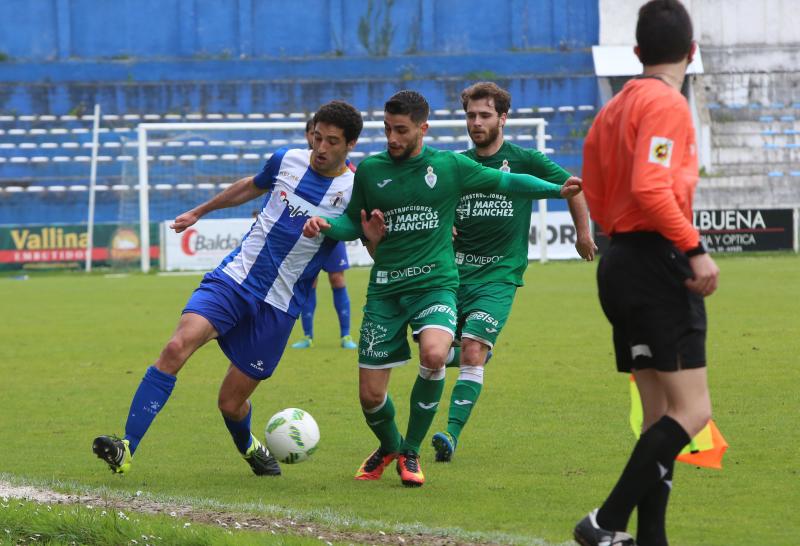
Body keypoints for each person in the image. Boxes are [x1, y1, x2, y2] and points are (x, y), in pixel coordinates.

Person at [303, 90, 582, 487]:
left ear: (422, 128)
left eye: (401, 130)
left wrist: (556, 190)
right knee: (370, 397)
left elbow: (506, 181)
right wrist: (328, 226)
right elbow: (353, 222)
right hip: (385, 290)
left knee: (435, 354)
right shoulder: (370, 171)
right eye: (387, 129)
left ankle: (412, 451)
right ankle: (391, 445)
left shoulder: (449, 167)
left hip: (435, 285)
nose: (392, 138)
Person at [92, 101, 372, 476]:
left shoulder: (354, 189)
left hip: (279, 305)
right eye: (317, 137)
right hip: (235, 279)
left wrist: (329, 228)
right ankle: (127, 446)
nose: (320, 148)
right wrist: (200, 211)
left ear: (350, 144)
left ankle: (249, 446)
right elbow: (251, 186)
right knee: (176, 347)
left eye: (332, 142)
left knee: (230, 403)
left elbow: (358, 231)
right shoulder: (286, 160)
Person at [573, 2, 719, 545]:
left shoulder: (612, 110)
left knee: (661, 413)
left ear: (636, 53)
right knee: (693, 411)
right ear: (692, 51)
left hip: (620, 262)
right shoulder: (666, 104)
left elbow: (600, 190)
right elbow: (651, 187)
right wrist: (694, 249)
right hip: (658, 262)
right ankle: (605, 522)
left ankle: (650, 538)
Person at [430, 81, 597, 463]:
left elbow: (574, 187)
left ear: (503, 118)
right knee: (434, 355)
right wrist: (445, 224)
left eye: (484, 115)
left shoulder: (525, 160)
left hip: (498, 277)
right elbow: (436, 206)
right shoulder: (457, 165)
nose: (476, 122)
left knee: (470, 350)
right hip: (451, 276)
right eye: (471, 115)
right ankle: (475, 354)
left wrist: (583, 234)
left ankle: (450, 434)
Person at [291, 118, 358, 349]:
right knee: (308, 283)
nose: (315, 139)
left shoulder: (346, 168)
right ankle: (307, 336)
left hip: (330, 234)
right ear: (308, 136)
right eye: (312, 134)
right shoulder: (298, 165)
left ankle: (346, 335)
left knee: (337, 279)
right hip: (305, 234)